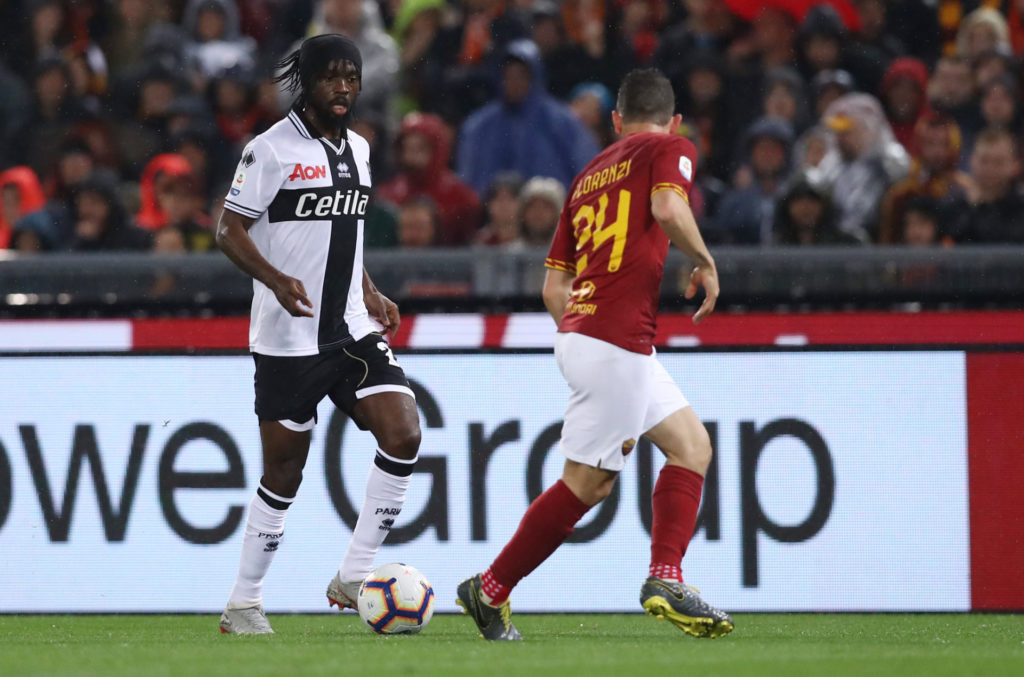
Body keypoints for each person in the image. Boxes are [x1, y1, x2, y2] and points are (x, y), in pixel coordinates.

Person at [456, 68, 733, 642]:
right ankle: (489, 589)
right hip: (616, 339)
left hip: (588, 332)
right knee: (588, 483)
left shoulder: (586, 177)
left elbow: (553, 288)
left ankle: (666, 576)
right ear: (676, 121)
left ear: (615, 120)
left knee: (691, 446)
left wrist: (586, 338)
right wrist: (704, 260)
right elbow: (667, 208)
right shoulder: (670, 148)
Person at [214, 34, 423, 635]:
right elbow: (228, 230)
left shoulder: (360, 148)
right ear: (306, 82)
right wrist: (276, 280)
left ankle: (353, 574)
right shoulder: (269, 150)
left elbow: (340, 234)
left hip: (350, 329)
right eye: (332, 76)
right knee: (283, 474)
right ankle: (243, 602)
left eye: (351, 77)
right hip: (287, 339)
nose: (344, 87)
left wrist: (369, 289)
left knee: (404, 433)